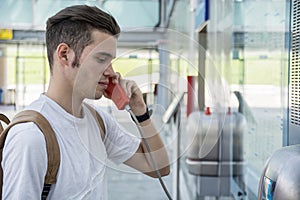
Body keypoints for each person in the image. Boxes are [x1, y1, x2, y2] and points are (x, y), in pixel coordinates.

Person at [2, 5, 170, 199]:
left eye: (111, 61)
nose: (112, 72)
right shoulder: (31, 137)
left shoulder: (98, 121)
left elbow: (159, 167)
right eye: (101, 59)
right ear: (65, 55)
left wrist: (140, 111)